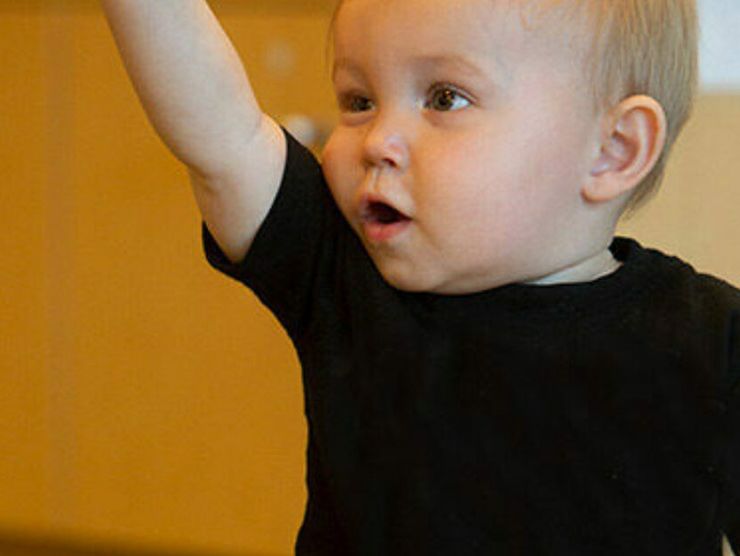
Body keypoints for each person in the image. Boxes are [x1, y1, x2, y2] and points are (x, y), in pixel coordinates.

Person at [101, 0, 740, 554]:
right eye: (358, 100)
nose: (379, 138)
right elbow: (224, 141)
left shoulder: (713, 341)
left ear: (615, 148)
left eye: (443, 98)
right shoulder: (342, 281)